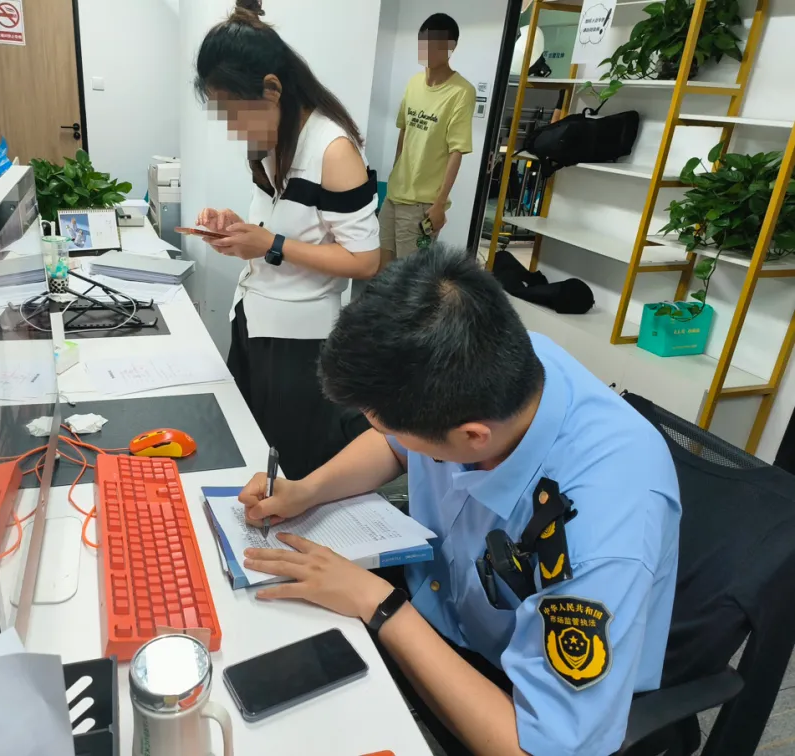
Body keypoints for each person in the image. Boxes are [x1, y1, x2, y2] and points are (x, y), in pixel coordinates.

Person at [237, 246, 681, 756]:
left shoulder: (602, 528)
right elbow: (397, 444)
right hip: (432, 608)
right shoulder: (493, 365)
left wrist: (379, 606)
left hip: (502, 683)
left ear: (472, 437)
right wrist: (307, 490)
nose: (388, 435)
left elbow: (534, 749)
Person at [193, 1, 380, 480]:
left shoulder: (333, 151)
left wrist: (270, 244)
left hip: (300, 343)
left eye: (235, 112)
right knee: (244, 451)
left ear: (272, 89)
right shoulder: (270, 143)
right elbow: (278, 223)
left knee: (289, 471)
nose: (232, 127)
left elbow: (365, 261)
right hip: (252, 320)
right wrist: (235, 227)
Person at [381, 14, 475, 266]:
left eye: (436, 44)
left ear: (451, 47)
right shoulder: (413, 83)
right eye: (424, 42)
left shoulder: (461, 92)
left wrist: (439, 204)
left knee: (410, 276)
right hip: (394, 195)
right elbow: (404, 131)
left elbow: (457, 151)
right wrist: (395, 173)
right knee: (382, 268)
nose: (427, 49)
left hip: (422, 205)